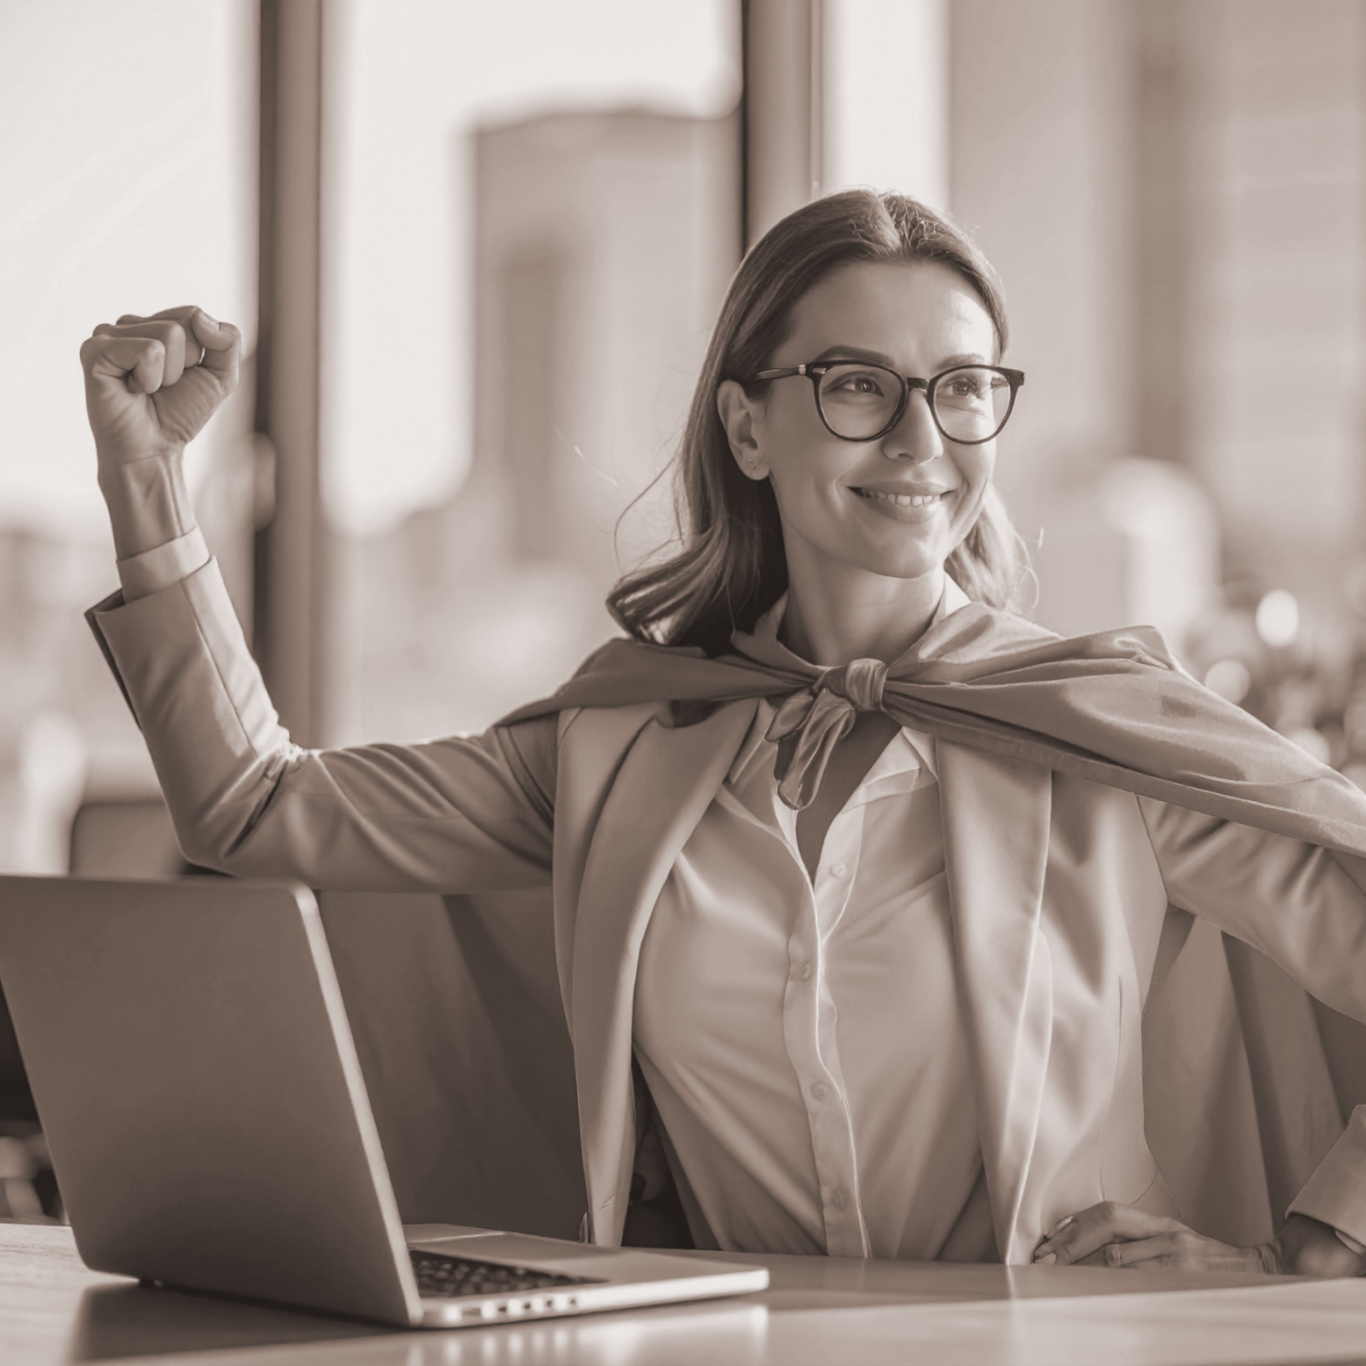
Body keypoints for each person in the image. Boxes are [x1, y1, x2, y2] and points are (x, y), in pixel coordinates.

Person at [80, 189, 1366, 1276]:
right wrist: (145, 479)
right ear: (747, 426)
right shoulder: (621, 747)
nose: (920, 438)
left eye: (963, 388)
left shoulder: (1101, 732)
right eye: (856, 385)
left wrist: (1302, 1257)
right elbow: (252, 808)